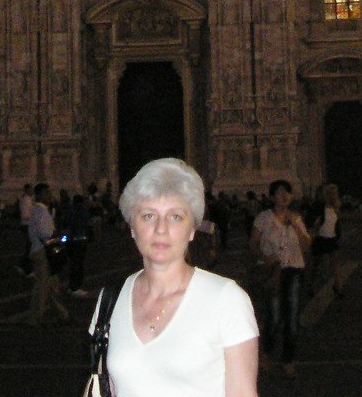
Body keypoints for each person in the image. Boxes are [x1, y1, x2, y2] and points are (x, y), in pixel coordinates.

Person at [92, 158, 259, 397]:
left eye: (175, 217)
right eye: (148, 216)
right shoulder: (110, 299)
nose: (161, 229)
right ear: (132, 227)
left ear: (192, 230)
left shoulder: (226, 300)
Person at [250, 179, 311, 378]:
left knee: (292, 318)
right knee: (274, 316)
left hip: (294, 271)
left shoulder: (296, 218)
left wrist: (296, 226)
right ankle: (266, 353)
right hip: (273, 271)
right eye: (279, 192)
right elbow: (253, 244)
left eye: (287, 192)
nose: (284, 196)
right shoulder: (263, 218)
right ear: (271, 196)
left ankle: (288, 359)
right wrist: (264, 257)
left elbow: (306, 246)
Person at [27, 183, 68, 324]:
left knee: (51, 285)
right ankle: (34, 318)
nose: (49, 196)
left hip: (40, 250)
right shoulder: (41, 211)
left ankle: (63, 314)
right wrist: (59, 235)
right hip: (43, 252)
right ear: (39, 195)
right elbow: (45, 234)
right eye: (46, 193)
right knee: (43, 286)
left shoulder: (38, 210)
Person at [310, 183, 344, 297]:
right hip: (321, 239)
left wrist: (339, 236)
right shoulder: (320, 206)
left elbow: (337, 224)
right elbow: (311, 220)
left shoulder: (335, 208)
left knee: (336, 265)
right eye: (331, 193)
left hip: (332, 239)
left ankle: (338, 287)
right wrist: (315, 222)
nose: (334, 196)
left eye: (335, 194)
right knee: (317, 265)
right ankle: (311, 284)